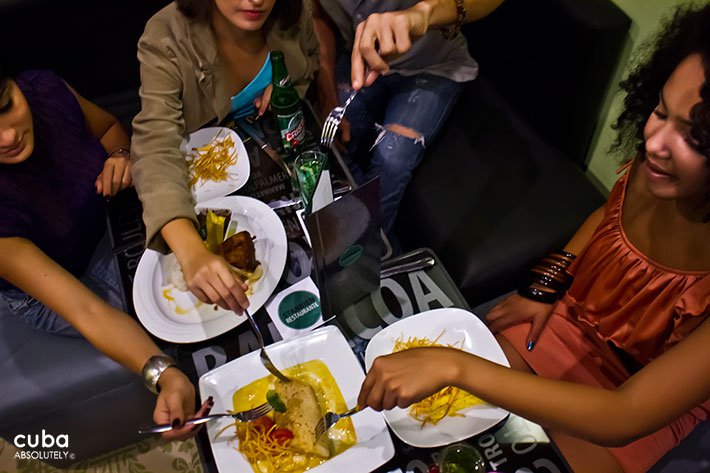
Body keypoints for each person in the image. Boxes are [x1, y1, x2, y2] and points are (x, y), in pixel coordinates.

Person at [358, 5, 710, 473]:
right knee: (433, 429)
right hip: (572, 326)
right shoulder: (659, 170)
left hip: (641, 404)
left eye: (695, 138)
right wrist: (546, 285)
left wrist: (454, 365)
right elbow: (611, 212)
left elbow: (624, 415)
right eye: (660, 111)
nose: (654, 142)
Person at [0, 68, 205, 440]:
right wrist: (166, 376)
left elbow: (111, 131)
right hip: (44, 289)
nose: (8, 135)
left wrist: (120, 156)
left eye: (6, 105)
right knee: (175, 312)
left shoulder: (46, 90)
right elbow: (87, 311)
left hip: (107, 224)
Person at [131, 0, 319, 314]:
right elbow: (155, 144)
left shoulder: (294, 11)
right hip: (198, 184)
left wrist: (287, 88)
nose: (256, 1)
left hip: (276, 156)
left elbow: (308, 61)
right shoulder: (166, 35)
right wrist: (191, 252)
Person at [312, 0, 503, 242]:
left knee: (391, 159)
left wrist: (423, 13)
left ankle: (371, 254)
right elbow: (318, 15)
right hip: (361, 60)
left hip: (433, 65)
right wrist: (326, 90)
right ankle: (369, 242)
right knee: (325, 138)